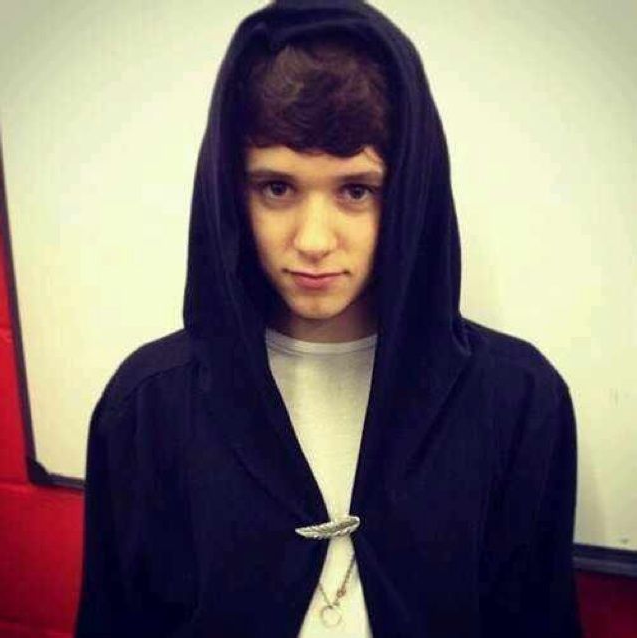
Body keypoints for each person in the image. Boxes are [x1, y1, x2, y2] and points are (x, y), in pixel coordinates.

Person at [74, 1, 583, 637]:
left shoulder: (519, 401)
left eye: (356, 190)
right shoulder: (147, 407)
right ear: (233, 192)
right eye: (277, 188)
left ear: (409, 193)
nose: (314, 240)